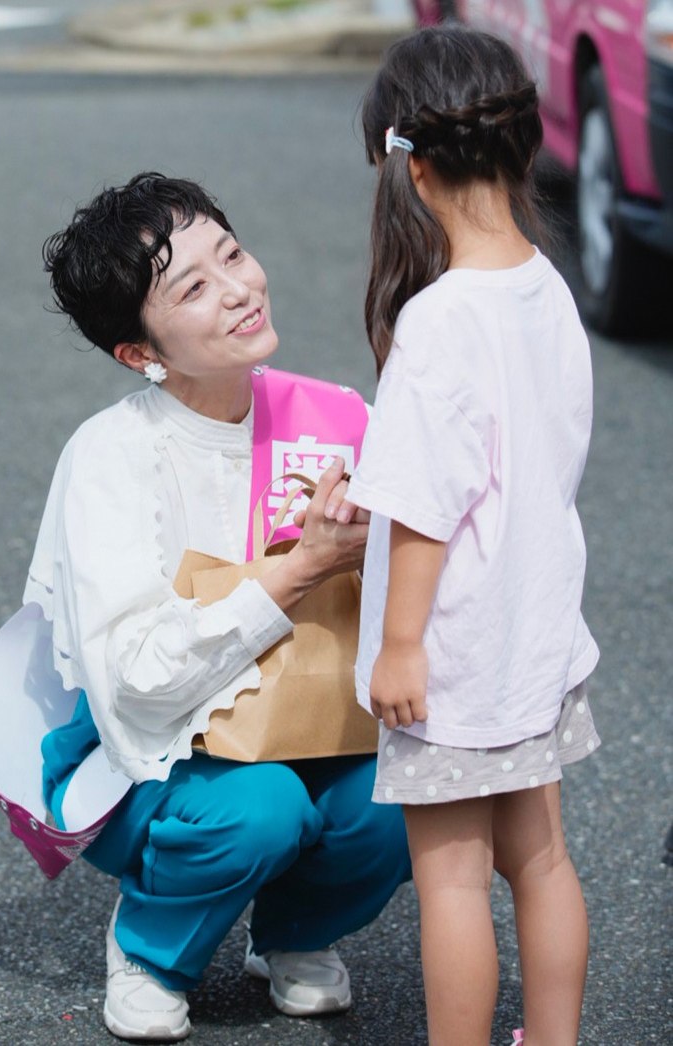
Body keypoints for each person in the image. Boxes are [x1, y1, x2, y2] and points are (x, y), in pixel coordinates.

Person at [24, 173, 411, 1041]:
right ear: (139, 353)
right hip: (147, 748)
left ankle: (296, 934)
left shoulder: (335, 417)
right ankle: (150, 947)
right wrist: (302, 568)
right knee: (260, 809)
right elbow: (138, 685)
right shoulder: (113, 456)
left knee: (405, 791)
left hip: (317, 719)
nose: (238, 289)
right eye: (193, 287)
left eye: (231, 255)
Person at [339, 26, 601, 1046]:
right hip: (535, 633)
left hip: (455, 653)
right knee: (541, 858)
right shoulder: (545, 286)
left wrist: (400, 643)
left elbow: (422, 506)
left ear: (410, 168)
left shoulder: (440, 321)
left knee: (450, 880)